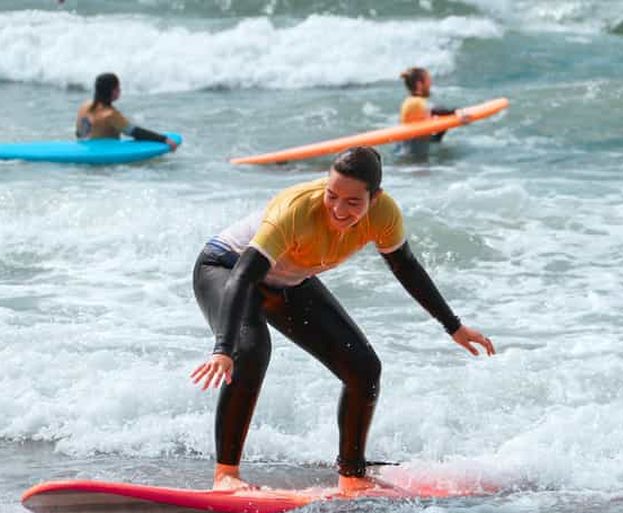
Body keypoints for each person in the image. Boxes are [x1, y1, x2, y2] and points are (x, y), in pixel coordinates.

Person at [190, 146, 495, 494]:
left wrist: (453, 326)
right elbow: (244, 277)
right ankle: (226, 475)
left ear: (374, 197)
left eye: (352, 202)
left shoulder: (384, 214)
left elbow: (406, 268)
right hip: (227, 267)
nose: (337, 209)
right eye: (331, 196)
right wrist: (223, 348)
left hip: (288, 280)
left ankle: (352, 474)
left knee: (363, 368)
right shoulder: (296, 210)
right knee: (251, 350)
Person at [75, 73, 178, 150]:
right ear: (111, 91)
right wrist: (164, 139)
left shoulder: (84, 106)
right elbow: (134, 132)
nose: (120, 90)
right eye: (117, 87)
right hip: (105, 157)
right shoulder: (110, 114)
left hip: (86, 150)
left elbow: (78, 133)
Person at [398, 67, 468, 157]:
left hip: (410, 158)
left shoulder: (410, 102)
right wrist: (456, 111)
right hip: (411, 161)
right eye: (428, 82)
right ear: (419, 85)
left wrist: (445, 125)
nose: (430, 86)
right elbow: (436, 110)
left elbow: (430, 139)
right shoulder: (415, 103)